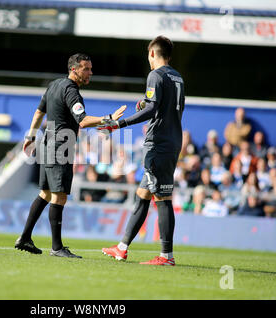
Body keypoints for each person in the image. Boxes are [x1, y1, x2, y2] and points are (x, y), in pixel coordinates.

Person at [14, 53, 126, 258]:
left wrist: (30, 135)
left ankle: (25, 237)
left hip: (48, 143)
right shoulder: (71, 91)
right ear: (74, 69)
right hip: (60, 147)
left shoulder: (54, 85)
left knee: (45, 194)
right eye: (87, 69)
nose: (90, 72)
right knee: (59, 196)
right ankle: (56, 248)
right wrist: (108, 119)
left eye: (91, 68)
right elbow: (82, 121)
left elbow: (40, 111)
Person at [99, 36, 185, 266]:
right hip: (172, 140)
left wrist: (120, 123)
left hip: (158, 144)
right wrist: (147, 106)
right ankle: (122, 247)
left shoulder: (155, 75)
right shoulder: (177, 77)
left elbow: (153, 109)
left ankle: (166, 256)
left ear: (152, 54)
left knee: (163, 198)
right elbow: (164, 107)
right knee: (143, 196)